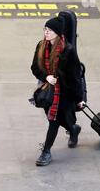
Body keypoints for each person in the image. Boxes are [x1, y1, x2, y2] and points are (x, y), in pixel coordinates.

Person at [31, 16, 85, 166]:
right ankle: (73, 129)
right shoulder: (41, 46)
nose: (46, 32)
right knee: (58, 119)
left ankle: (46, 151)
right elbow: (34, 68)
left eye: (49, 30)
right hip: (47, 90)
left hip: (64, 92)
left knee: (53, 121)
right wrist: (46, 77)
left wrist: (79, 98)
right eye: (45, 29)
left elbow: (75, 77)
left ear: (57, 33)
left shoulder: (68, 50)